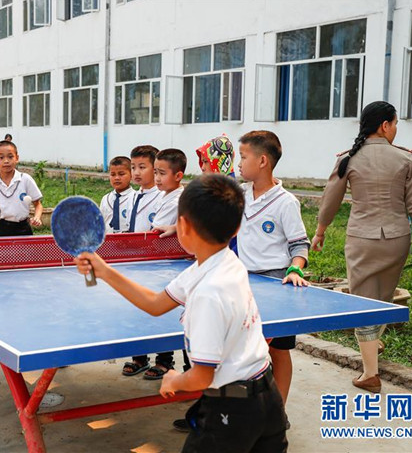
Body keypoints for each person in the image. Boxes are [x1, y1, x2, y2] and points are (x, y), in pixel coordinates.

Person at [75, 175, 288, 452]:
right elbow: (156, 303)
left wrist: (175, 379)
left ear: (183, 226)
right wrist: (105, 272)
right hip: (268, 398)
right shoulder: (223, 263)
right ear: (237, 228)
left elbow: (201, 377)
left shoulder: (207, 293)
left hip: (232, 410)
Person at [311, 101, 412, 394]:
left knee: (362, 302)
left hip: (361, 239)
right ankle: (372, 341)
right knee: (384, 298)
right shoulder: (406, 159)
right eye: (395, 123)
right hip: (397, 239)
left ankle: (370, 374)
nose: (396, 129)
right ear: (384, 125)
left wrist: (320, 232)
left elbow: (330, 201)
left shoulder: (348, 158)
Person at [236, 130, 310, 412]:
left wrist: (295, 269)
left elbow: (299, 244)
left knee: (277, 350)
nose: (239, 163)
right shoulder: (240, 194)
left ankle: (278, 411)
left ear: (262, 161)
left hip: (275, 282)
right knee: (246, 350)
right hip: (244, 282)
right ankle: (240, 410)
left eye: (243, 157)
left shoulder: (286, 202)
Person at [122, 145, 162, 378]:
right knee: (136, 311)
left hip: (157, 264)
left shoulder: (163, 196)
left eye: (142, 167)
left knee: (161, 313)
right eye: (133, 167)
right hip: (135, 262)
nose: (136, 172)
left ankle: (164, 360)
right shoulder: (132, 196)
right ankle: (139, 357)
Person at [99, 156, 134, 233]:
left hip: (128, 239)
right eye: (113, 174)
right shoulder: (106, 199)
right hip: (108, 239)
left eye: (121, 174)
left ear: (131, 175)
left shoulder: (135, 198)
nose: (117, 178)